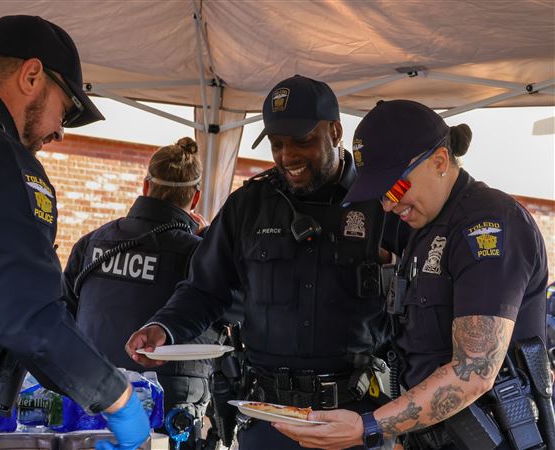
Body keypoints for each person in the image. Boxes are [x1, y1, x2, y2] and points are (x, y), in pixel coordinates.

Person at [126, 75, 405, 450]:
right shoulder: (248, 206)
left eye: (302, 141)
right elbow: (204, 289)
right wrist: (164, 327)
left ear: (336, 131)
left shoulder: (382, 204)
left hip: (354, 420)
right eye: (277, 144)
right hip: (269, 419)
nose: (288, 156)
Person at [273, 99, 550, 450]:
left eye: (395, 189)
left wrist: (369, 426)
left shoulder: (488, 226)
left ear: (439, 162)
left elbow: (474, 371)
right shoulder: (425, 224)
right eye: (380, 196)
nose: (388, 206)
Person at [0, 15, 149, 449]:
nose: (60, 131)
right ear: (31, 75)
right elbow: (30, 316)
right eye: (65, 108)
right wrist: (117, 399)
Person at [62, 137, 212, 449]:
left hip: (88, 405)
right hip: (169, 417)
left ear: (146, 187)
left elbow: (62, 317)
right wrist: (211, 241)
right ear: (195, 197)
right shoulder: (199, 255)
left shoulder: (91, 243)